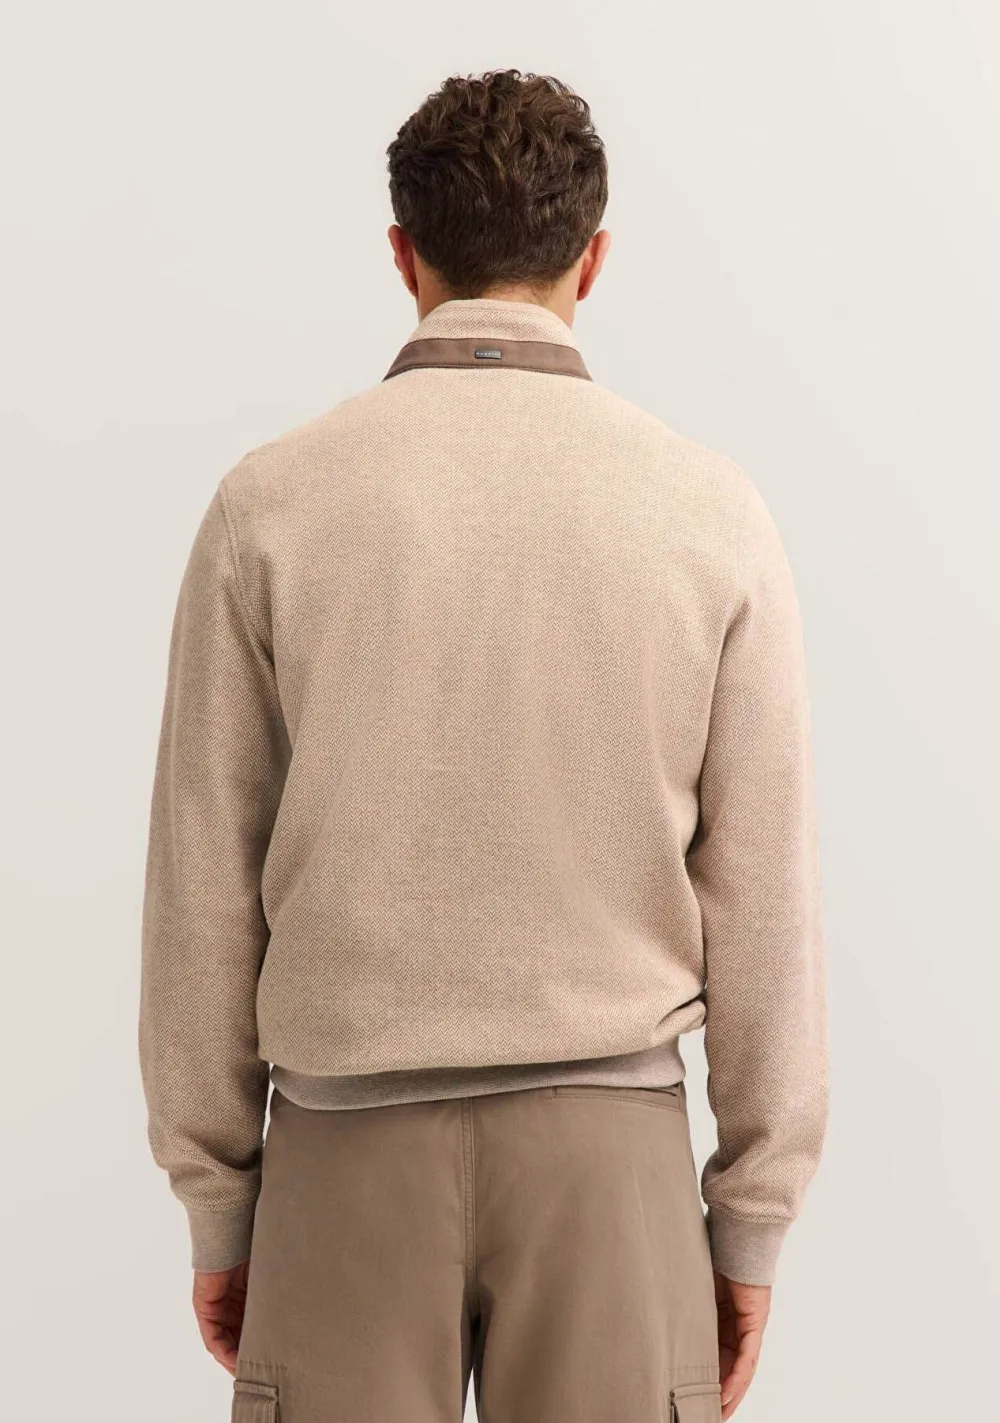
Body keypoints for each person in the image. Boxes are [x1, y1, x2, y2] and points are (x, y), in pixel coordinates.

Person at [139, 68, 828, 1423]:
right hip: (610, 1167)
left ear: (405, 256)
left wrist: (218, 1196)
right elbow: (763, 896)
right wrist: (751, 1218)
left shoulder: (269, 509)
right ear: (593, 261)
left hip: (341, 1156)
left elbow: (203, 886)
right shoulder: (710, 514)